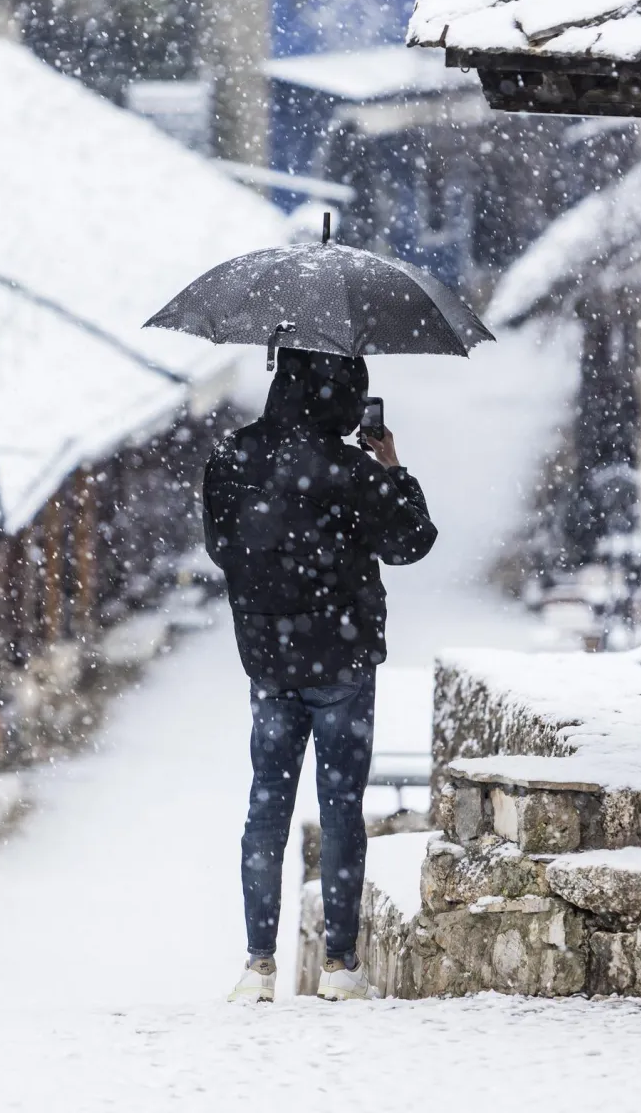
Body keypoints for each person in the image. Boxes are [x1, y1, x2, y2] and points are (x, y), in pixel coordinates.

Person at [203, 348, 437, 1002]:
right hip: (343, 659)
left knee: (265, 812)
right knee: (340, 813)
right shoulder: (354, 469)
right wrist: (393, 467)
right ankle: (339, 966)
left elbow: (222, 548)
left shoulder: (233, 458)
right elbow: (412, 541)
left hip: (269, 662)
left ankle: (257, 967)